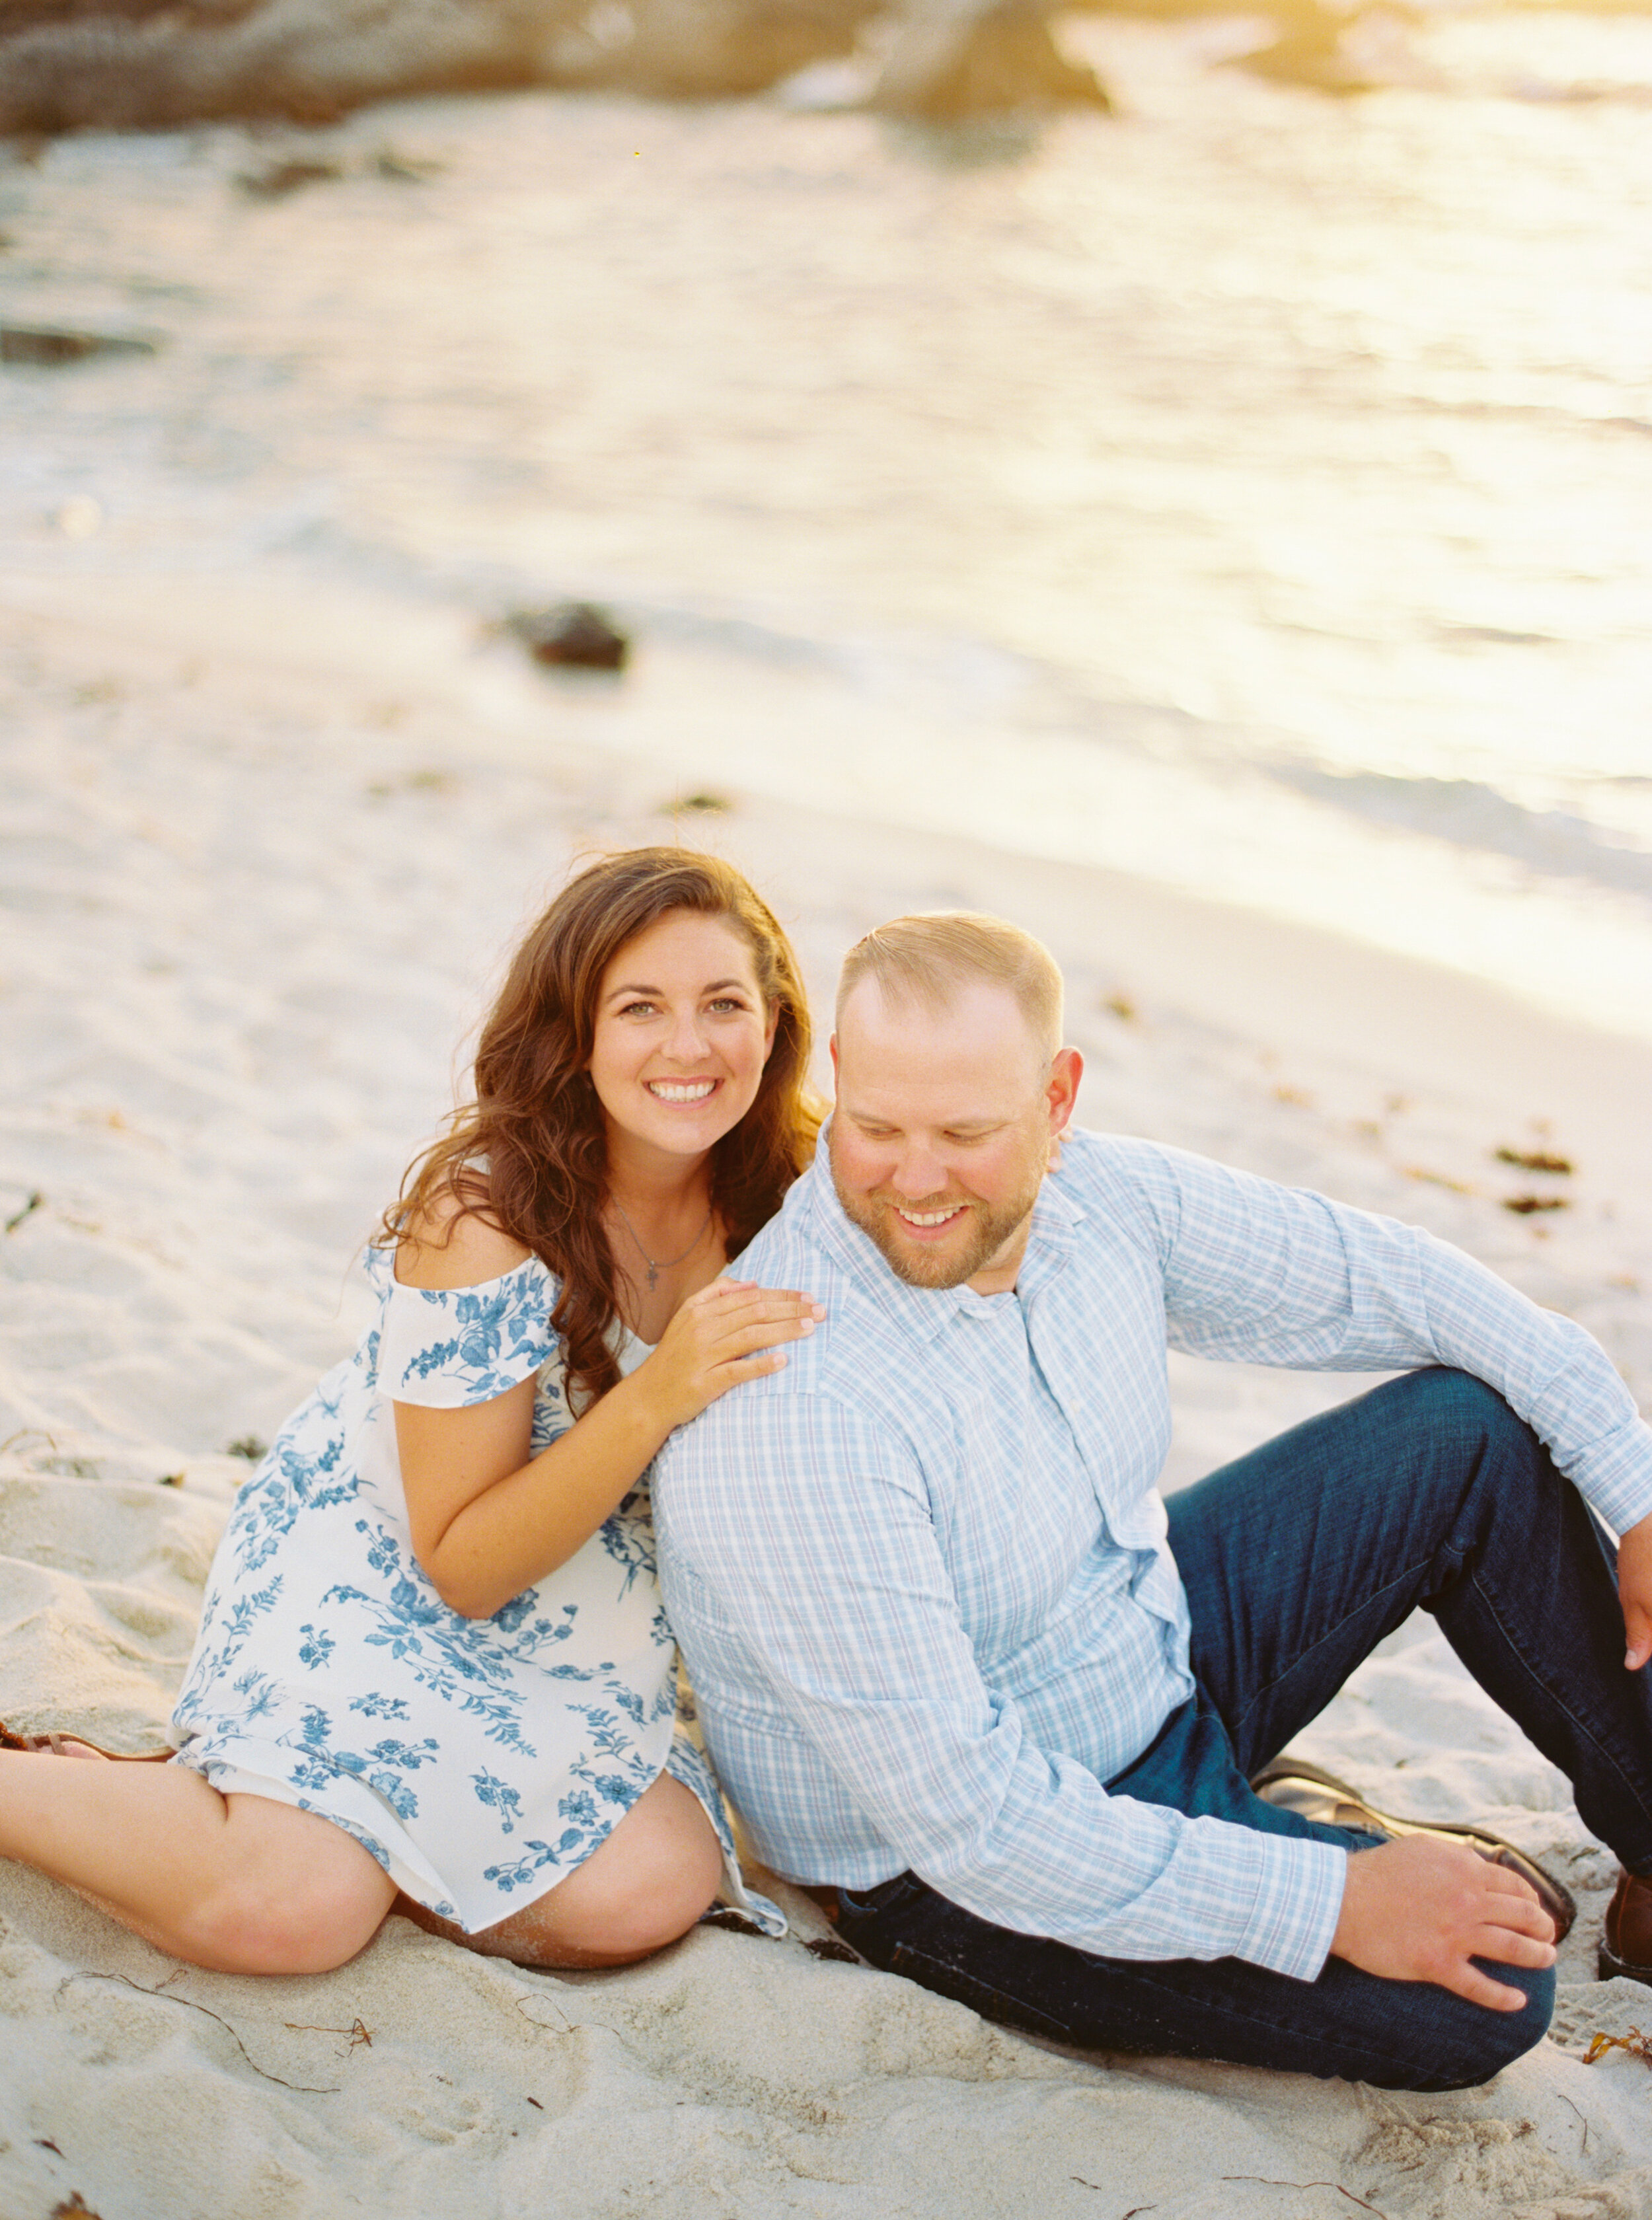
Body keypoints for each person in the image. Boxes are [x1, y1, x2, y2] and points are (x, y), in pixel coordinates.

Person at [654, 910, 1652, 2090]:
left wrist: (1635, 1494)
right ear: (838, 1084)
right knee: (1491, 1992)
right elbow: (981, 1827)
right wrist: (1330, 1896)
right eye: (876, 1128)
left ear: (1057, 1101)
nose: (915, 1179)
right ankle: (1289, 1831)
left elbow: (1391, 1278)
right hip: (961, 1872)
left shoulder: (1100, 1199)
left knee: (1468, 1434)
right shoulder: (793, 1408)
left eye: (966, 1132)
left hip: (1150, 1656)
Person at [0, 848, 825, 1976]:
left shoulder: (787, 1198)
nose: (690, 1047)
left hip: (589, 1609)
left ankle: (297, 1827)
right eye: (642, 1008)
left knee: (647, 1893)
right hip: (393, 1565)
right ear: (575, 1032)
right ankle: (108, 1804)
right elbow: (462, 1565)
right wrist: (662, 1393)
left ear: (773, 1025)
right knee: (290, 1914)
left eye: (723, 1005)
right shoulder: (488, 1214)